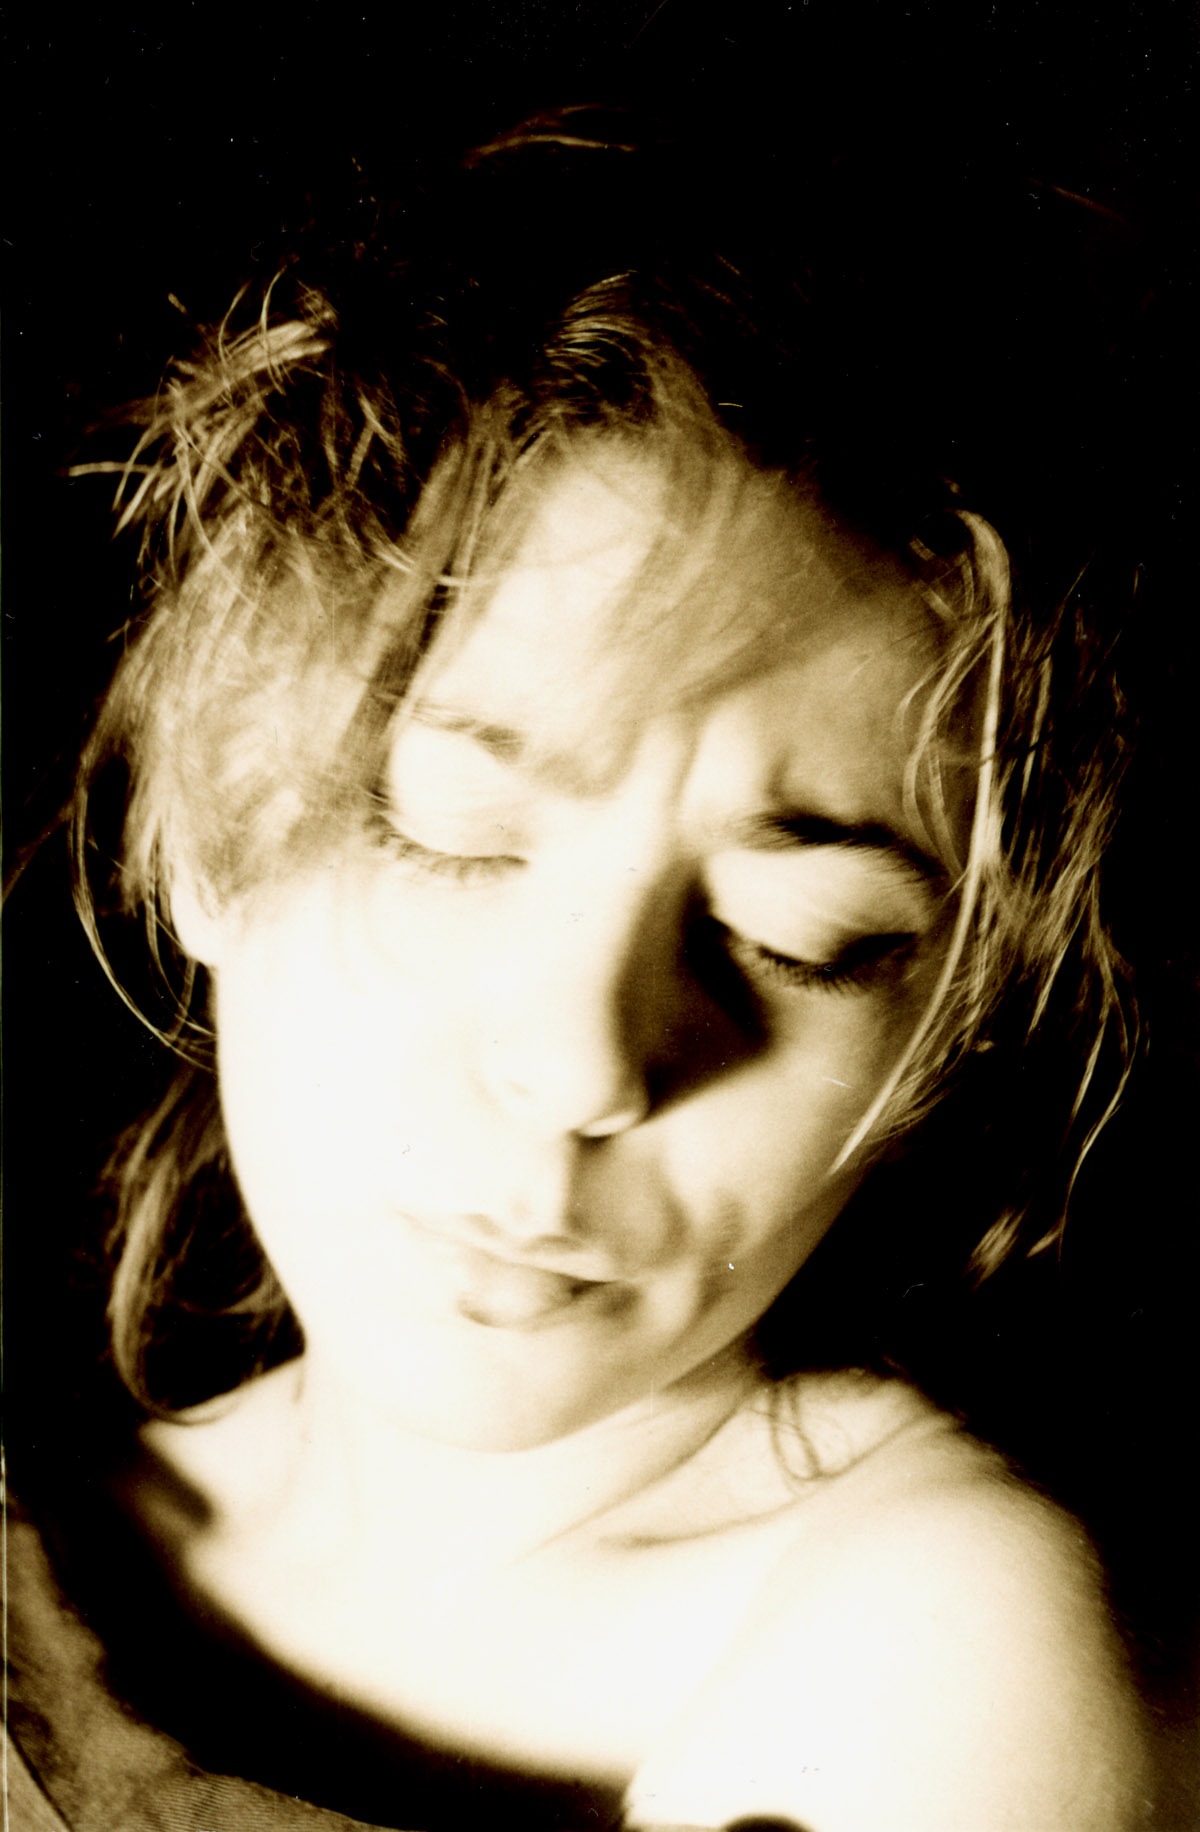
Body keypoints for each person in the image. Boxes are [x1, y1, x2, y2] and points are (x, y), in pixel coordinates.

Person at [5, 110, 1169, 1831]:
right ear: (203, 833)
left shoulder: (921, 1648)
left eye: (801, 941)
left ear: (947, 1034)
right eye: (452, 837)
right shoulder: (52, 1528)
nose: (583, 1065)